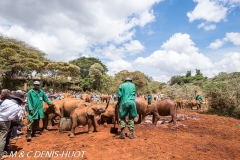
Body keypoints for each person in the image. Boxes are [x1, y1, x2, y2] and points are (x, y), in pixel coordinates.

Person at [0, 92, 24, 158]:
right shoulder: (18, 107)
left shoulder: (6, 101)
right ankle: (1, 155)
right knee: (3, 137)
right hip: (4, 122)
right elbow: (10, 118)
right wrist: (15, 121)